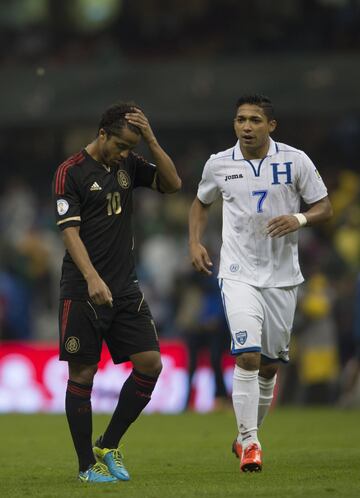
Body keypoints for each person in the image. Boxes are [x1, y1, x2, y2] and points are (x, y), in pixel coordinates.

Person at [188, 94, 332, 472]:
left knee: (269, 367)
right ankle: (251, 444)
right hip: (238, 273)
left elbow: (324, 206)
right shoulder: (219, 164)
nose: (246, 127)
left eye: (254, 120)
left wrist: (299, 220)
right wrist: (195, 241)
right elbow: (200, 203)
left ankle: (243, 436)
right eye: (240, 120)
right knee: (247, 355)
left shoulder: (295, 160)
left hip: (283, 277)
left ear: (271, 125)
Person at [52, 102, 181, 482]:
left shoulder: (128, 163)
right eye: (121, 145)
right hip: (81, 288)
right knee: (83, 372)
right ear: (103, 134)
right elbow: (69, 231)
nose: (126, 153)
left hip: (125, 287)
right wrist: (92, 277)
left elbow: (173, 185)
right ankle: (84, 467)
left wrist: (152, 141)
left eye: (131, 147)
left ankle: (108, 443)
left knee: (150, 364)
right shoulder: (69, 172)